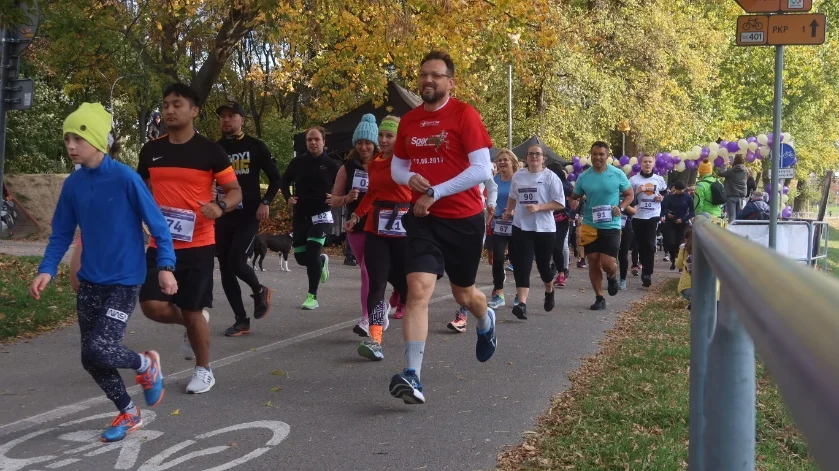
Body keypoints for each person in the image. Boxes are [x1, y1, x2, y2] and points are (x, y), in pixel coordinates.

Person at [31, 103, 175, 441]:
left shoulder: (125, 178)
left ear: (96, 139)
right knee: (90, 357)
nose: (69, 145)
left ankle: (146, 365)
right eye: (66, 138)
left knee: (100, 345)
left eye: (76, 138)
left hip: (124, 280)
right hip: (91, 281)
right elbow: (61, 234)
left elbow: (159, 226)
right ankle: (128, 412)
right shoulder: (73, 185)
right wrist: (46, 269)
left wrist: (166, 266)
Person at [388, 51, 497, 404]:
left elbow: (482, 170)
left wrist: (435, 191)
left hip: (463, 218)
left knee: (464, 295)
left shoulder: (465, 115)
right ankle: (413, 376)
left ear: (450, 81)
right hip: (424, 219)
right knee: (417, 289)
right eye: (423, 75)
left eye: (435, 75)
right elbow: (397, 169)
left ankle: (485, 320)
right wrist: (412, 178)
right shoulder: (409, 121)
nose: (428, 81)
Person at [138, 83, 243, 395]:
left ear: (194, 110)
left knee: (194, 309)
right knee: (151, 306)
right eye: (166, 104)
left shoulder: (210, 151)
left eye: (177, 104)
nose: (170, 110)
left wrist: (220, 206)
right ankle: (190, 323)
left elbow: (235, 191)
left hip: (198, 241)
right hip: (161, 242)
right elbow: (142, 191)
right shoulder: (151, 151)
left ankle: (203, 369)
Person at [345, 115, 410, 360]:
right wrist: (356, 216)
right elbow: (371, 193)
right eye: (380, 135)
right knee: (376, 283)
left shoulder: (408, 163)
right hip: (376, 229)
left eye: (389, 136)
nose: (382, 140)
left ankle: (411, 325)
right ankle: (375, 339)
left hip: (403, 228)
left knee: (405, 285)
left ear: (399, 138)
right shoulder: (374, 164)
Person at [214, 101, 280, 337]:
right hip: (223, 214)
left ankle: (259, 289)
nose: (226, 120)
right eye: (223, 116)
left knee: (237, 261)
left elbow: (275, 178)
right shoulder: (215, 149)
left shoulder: (256, 146)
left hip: (249, 215)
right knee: (225, 268)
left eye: (231, 116)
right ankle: (241, 320)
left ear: (242, 119)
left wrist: (266, 202)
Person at [568, 141, 633, 310]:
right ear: (591, 155)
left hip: (611, 224)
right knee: (593, 261)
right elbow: (574, 196)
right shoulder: (584, 176)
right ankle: (599, 297)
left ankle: (612, 276)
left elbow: (629, 194)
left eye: (601, 154)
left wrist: (622, 207)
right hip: (590, 224)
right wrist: (573, 202)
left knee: (607, 263)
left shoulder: (617, 174)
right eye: (594, 154)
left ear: (607, 156)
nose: (597, 157)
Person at [502, 145, 564, 319]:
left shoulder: (550, 177)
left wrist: (539, 207)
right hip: (521, 227)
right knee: (522, 265)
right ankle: (521, 304)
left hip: (544, 228)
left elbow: (560, 203)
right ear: (526, 157)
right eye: (531, 154)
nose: (534, 157)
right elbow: (513, 196)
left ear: (543, 158)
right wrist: (508, 211)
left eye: (538, 154)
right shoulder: (519, 176)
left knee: (544, 266)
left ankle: (549, 291)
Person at [281, 126, 340, 310]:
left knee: (313, 251)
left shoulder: (332, 165)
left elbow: (343, 185)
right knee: (300, 257)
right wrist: (287, 197)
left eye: (317, 139)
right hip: (301, 215)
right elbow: (284, 181)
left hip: (322, 215)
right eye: (309, 140)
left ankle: (312, 296)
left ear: (324, 142)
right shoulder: (297, 162)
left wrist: (336, 197)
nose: (313, 143)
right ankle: (321, 262)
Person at [331, 114, 378, 335]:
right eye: (360, 142)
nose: (364, 147)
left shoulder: (384, 164)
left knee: (376, 271)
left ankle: (375, 312)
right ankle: (367, 316)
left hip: (381, 223)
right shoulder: (347, 167)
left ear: (375, 143)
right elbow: (334, 198)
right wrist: (347, 199)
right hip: (356, 224)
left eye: (368, 142)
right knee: (367, 272)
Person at [448, 174, 497, 333]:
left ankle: (462, 316)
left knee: (466, 274)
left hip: (471, 221)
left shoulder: (477, 159)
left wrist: (490, 204)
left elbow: (492, 186)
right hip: (443, 220)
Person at [629, 154, 667, 288]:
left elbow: (664, 194)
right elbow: (629, 200)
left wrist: (661, 198)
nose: (647, 164)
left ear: (653, 164)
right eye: (645, 161)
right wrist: (637, 192)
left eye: (650, 162)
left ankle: (647, 273)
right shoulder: (634, 180)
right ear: (640, 163)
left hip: (653, 215)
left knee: (650, 245)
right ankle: (642, 265)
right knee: (640, 245)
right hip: (638, 216)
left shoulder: (659, 179)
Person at [487, 150, 516, 309]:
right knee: (497, 258)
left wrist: (514, 211)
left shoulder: (518, 179)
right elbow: (490, 199)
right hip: (498, 224)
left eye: (505, 160)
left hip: (516, 223)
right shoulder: (494, 180)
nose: (502, 162)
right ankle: (499, 293)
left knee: (516, 259)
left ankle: (520, 294)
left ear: (512, 162)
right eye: (500, 160)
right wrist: (490, 209)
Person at [547, 162, 573, 287]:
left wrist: (572, 214)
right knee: (550, 247)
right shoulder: (545, 185)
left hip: (562, 220)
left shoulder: (566, 186)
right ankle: (552, 269)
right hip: (547, 220)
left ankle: (562, 273)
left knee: (559, 246)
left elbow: (575, 200)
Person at [661, 180, 694, 270]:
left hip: (683, 223)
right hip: (671, 223)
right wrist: (667, 213)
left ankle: (681, 263)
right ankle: (673, 259)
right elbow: (663, 209)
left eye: (682, 190)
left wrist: (683, 219)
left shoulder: (688, 198)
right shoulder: (670, 197)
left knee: (681, 244)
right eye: (679, 190)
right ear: (675, 189)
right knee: (671, 243)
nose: (681, 191)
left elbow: (692, 212)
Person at [718, 155, 748, 222]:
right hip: (742, 196)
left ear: (734, 161)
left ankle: (732, 230)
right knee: (741, 216)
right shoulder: (746, 171)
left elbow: (720, 173)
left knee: (732, 217)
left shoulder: (731, 171)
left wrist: (724, 164)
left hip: (731, 196)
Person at [675, 228, 693, 309]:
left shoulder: (684, 248)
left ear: (686, 239)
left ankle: (693, 300)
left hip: (687, 286)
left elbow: (678, 265)